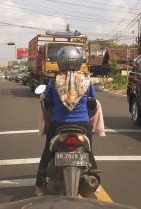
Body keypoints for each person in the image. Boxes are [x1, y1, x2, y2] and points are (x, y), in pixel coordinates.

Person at [35, 46, 98, 196]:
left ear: (60, 62)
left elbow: (48, 103)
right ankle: (94, 178)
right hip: (82, 124)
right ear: (79, 61)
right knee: (88, 151)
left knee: (47, 153)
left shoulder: (53, 82)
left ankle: (40, 186)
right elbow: (93, 104)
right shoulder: (87, 81)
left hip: (59, 124)